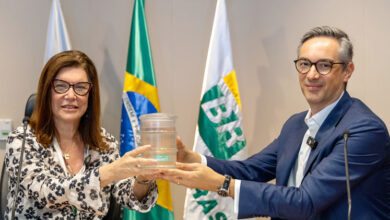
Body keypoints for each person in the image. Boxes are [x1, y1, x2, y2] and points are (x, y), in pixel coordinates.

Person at [160, 26, 390, 219]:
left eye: (324, 65)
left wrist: (223, 185)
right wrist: (193, 158)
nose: (311, 75)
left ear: (347, 71)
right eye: (304, 64)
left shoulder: (364, 130)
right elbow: (250, 170)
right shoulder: (296, 124)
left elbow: (306, 202)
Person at [5, 50, 159, 219]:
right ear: (47, 92)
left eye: (80, 87)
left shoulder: (104, 143)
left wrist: (143, 179)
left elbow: (126, 194)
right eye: (61, 86)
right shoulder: (21, 141)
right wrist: (106, 173)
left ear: (90, 95)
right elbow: (44, 193)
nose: (71, 95)